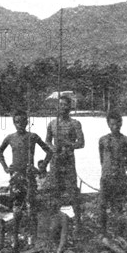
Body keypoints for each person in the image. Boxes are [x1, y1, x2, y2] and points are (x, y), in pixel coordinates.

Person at [0, 109, 53, 250]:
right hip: (16, 176)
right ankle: (15, 237)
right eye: (17, 122)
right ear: (14, 123)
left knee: (31, 208)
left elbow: (49, 151)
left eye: (22, 121)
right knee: (16, 209)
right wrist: (5, 167)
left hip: (29, 175)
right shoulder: (10, 138)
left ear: (27, 122)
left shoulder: (32, 137)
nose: (20, 124)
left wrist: (41, 167)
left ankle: (32, 237)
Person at [46, 96, 85, 231]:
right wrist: (52, 148)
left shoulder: (75, 123)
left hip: (68, 159)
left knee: (73, 191)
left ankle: (78, 222)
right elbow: (47, 141)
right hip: (56, 160)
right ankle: (54, 221)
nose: (63, 107)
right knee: (54, 190)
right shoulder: (52, 123)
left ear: (70, 107)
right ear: (57, 107)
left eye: (65, 105)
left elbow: (81, 143)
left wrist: (69, 145)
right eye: (60, 105)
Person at [18, 183, 73, 253]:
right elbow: (33, 235)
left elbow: (63, 242)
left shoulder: (63, 217)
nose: (51, 203)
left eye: (54, 200)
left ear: (59, 201)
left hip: (54, 249)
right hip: (39, 249)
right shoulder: (39, 215)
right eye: (48, 200)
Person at [98, 111, 127, 234]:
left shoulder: (126, 141)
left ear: (121, 123)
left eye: (117, 124)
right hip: (106, 177)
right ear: (108, 124)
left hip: (119, 177)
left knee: (118, 206)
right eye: (112, 124)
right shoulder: (103, 140)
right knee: (102, 205)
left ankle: (119, 232)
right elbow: (102, 159)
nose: (115, 127)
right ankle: (103, 231)